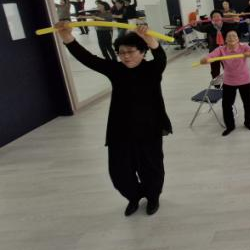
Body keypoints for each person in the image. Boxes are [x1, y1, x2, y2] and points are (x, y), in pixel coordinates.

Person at [54, 21, 171, 216]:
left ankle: (153, 197)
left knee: (151, 167)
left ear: (142, 52)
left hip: (149, 128)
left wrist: (149, 39)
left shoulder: (153, 68)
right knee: (119, 171)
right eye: (121, 53)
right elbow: (88, 59)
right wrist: (67, 37)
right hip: (120, 129)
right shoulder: (116, 70)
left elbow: (160, 56)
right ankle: (134, 196)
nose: (125, 56)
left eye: (130, 52)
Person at [200, 30, 250, 136]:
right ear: (225, 40)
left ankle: (248, 122)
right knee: (226, 105)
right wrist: (205, 59)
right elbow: (211, 56)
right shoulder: (221, 49)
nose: (231, 37)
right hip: (229, 81)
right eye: (229, 36)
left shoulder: (243, 47)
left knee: (248, 103)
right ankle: (230, 126)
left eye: (234, 36)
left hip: (245, 80)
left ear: (238, 39)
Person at [195, 10, 229, 79]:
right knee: (215, 70)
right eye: (214, 16)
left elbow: (235, 26)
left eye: (218, 16)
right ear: (211, 18)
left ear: (221, 17)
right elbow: (201, 28)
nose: (216, 18)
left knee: (228, 68)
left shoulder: (226, 25)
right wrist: (195, 25)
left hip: (226, 51)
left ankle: (229, 81)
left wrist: (237, 22)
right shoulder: (209, 27)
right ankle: (216, 83)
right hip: (213, 51)